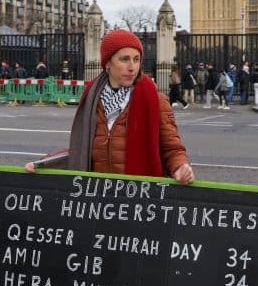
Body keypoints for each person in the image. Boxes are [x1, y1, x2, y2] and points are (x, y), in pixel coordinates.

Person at [25, 29, 193, 183]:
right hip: (100, 197)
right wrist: (43, 164)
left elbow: (172, 148)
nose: (132, 67)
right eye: (124, 59)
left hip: (139, 197)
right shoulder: (92, 100)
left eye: (136, 59)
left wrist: (180, 167)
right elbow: (81, 150)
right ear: (107, 63)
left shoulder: (155, 99)